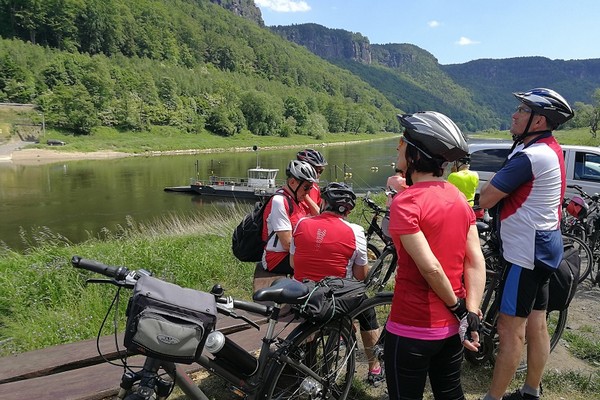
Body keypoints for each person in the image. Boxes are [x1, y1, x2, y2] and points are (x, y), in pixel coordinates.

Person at [478, 88, 575, 400]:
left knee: (510, 330)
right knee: (537, 324)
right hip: (545, 247)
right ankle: (531, 391)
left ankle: (493, 398)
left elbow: (487, 197)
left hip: (524, 253)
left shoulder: (530, 156)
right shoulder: (550, 148)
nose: (515, 114)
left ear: (538, 121)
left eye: (523, 110)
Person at [385, 111, 486, 400]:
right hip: (453, 330)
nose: (397, 147)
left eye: (402, 142)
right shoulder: (457, 197)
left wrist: (457, 307)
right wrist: (471, 312)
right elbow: (475, 259)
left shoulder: (406, 202)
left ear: (416, 155)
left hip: (412, 325)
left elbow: (430, 268)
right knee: (451, 393)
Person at [290, 182, 384, 386]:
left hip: (302, 294)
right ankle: (374, 367)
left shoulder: (301, 224)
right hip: (332, 298)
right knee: (368, 314)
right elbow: (361, 276)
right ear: (348, 210)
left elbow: (292, 262)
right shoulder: (356, 231)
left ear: (323, 203)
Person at [259, 159, 319, 276]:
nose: (308, 192)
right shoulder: (279, 201)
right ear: (292, 182)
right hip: (276, 259)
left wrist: (304, 194)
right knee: (321, 267)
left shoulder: (297, 199)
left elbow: (319, 216)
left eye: (311, 188)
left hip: (293, 255)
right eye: (306, 187)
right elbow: (287, 244)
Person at [296, 148, 328, 215]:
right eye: (315, 171)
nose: (318, 175)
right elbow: (318, 214)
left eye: (321, 171)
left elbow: (320, 212)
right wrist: (305, 194)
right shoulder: (293, 191)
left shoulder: (315, 187)